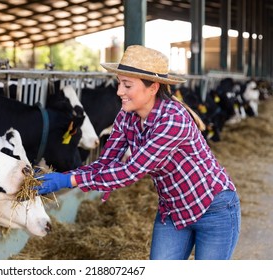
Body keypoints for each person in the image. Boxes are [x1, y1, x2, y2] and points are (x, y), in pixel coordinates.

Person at [34, 45, 241, 260]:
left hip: (214, 209)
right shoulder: (126, 116)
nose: (119, 91)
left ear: (153, 88)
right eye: (119, 83)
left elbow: (131, 171)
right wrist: (67, 176)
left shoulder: (173, 119)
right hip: (172, 211)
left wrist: (69, 181)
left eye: (127, 85)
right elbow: (106, 162)